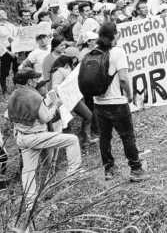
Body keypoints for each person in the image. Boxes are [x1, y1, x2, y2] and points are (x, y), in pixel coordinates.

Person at [7, 69, 82, 210]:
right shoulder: (34, 96)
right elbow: (46, 118)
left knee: (28, 171)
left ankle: (30, 205)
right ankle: (72, 174)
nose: (36, 81)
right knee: (72, 140)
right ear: (29, 81)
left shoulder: (13, 96)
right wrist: (55, 105)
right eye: (34, 79)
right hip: (36, 136)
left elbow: (8, 115)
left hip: (21, 137)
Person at [93, 22, 148, 182]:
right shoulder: (117, 52)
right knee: (127, 136)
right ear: (115, 35)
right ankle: (136, 169)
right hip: (117, 102)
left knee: (105, 137)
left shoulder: (94, 52)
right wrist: (130, 96)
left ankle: (109, 170)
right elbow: (123, 78)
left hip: (99, 103)